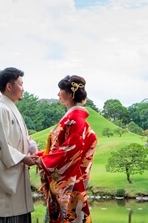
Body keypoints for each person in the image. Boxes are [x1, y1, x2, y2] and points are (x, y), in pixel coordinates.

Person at [36, 75, 98, 223]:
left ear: (70, 94)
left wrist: (43, 160)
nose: (58, 94)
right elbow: (58, 148)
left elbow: (70, 150)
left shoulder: (75, 119)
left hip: (69, 184)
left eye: (61, 90)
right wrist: (38, 155)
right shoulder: (72, 118)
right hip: (69, 180)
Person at [0, 67, 38, 223]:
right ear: (9, 86)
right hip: (4, 190)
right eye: (20, 84)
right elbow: (1, 146)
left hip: (16, 179)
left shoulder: (10, 108)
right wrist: (24, 158)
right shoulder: (1, 110)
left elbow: (10, 140)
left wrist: (26, 143)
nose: (23, 88)